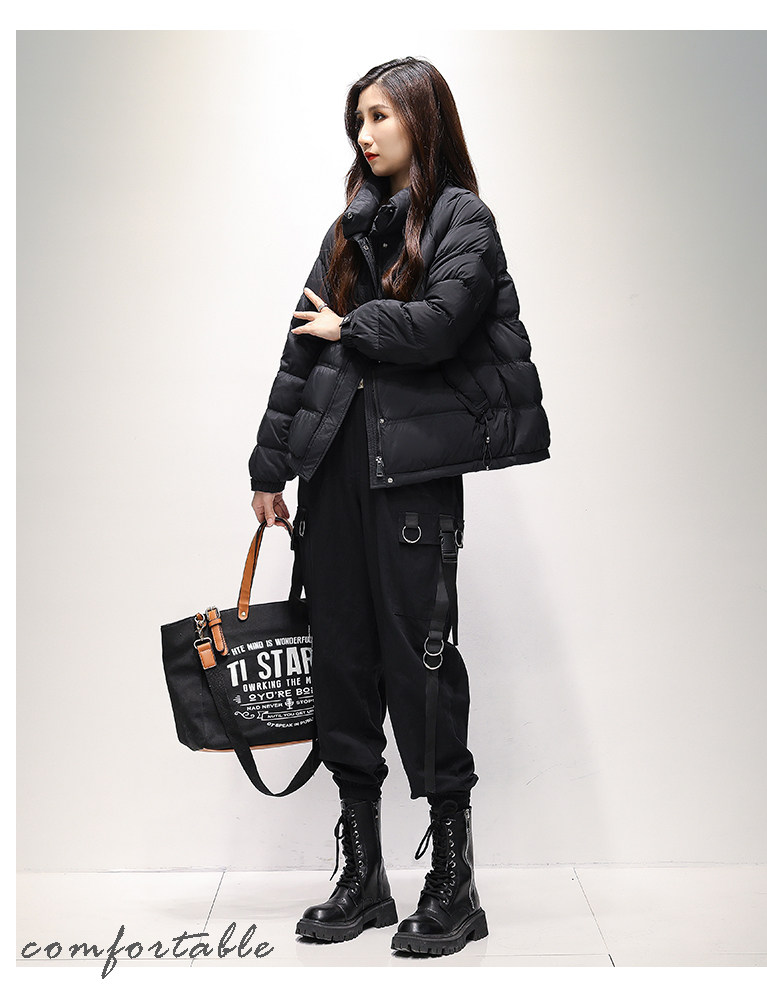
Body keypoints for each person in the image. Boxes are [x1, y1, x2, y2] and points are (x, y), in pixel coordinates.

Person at [249, 56, 550, 956]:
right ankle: (364, 876)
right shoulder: (347, 228)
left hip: (412, 482)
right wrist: (269, 467)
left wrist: (355, 326)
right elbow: (299, 355)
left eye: (380, 115)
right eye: (359, 119)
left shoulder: (464, 220)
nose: (365, 133)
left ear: (423, 118)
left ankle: (455, 883)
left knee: (421, 668)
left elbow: (442, 325)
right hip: (332, 476)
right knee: (343, 664)